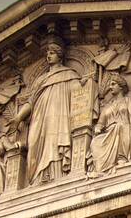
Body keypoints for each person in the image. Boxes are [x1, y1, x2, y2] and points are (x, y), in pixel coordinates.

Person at [14, 38, 84, 184]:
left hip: (59, 113)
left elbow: (80, 94)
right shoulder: (41, 80)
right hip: (39, 117)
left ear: (60, 55)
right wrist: (18, 117)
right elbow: (30, 102)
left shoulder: (69, 74)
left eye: (52, 53)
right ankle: (38, 177)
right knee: (35, 142)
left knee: (55, 140)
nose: (48, 56)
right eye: (47, 53)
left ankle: (55, 175)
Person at [90, 72, 131, 174]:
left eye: (113, 84)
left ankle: (122, 158)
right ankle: (102, 169)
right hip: (109, 133)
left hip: (125, 130)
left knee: (121, 127)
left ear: (121, 87)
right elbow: (100, 123)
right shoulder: (107, 106)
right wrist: (97, 128)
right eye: (110, 84)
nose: (110, 87)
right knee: (95, 142)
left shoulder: (130, 101)